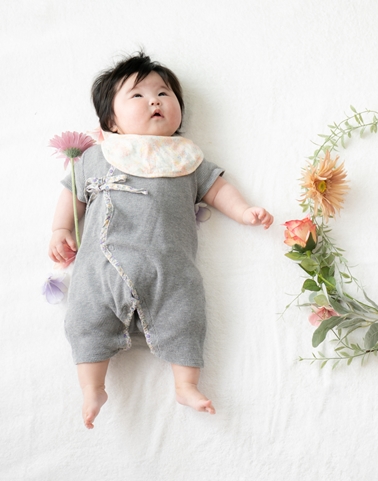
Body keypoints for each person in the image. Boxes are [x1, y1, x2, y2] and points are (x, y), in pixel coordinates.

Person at [48, 52, 273, 429]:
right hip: (100, 269)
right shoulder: (97, 156)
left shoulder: (187, 160)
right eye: (137, 96)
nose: (154, 100)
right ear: (111, 122)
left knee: (186, 317)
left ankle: (185, 384)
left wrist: (244, 211)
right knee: (85, 318)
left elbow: (218, 191)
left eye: (164, 94)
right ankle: (92, 387)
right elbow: (73, 194)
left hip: (170, 269)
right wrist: (61, 229)